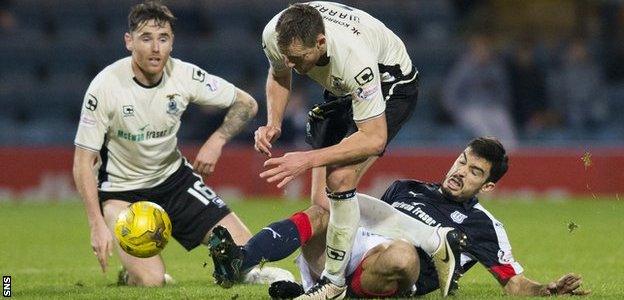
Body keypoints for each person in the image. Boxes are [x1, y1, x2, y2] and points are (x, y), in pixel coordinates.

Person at [72, 1, 291, 287]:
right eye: (146, 38)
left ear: (172, 42)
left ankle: (238, 270)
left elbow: (246, 104)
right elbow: (83, 161)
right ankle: (133, 274)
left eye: (163, 39)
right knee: (151, 281)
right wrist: (96, 224)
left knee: (244, 255)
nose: (155, 48)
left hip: (175, 181)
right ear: (129, 41)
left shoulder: (184, 76)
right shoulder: (105, 87)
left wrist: (217, 139)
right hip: (122, 192)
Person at [252, 2, 461, 298]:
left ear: (321, 42)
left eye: (298, 58)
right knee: (323, 202)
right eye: (287, 56)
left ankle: (333, 283)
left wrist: (307, 160)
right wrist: (273, 122)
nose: (291, 65)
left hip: (392, 85)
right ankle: (433, 239)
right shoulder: (276, 33)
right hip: (344, 92)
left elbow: (373, 138)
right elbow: (278, 74)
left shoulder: (353, 59)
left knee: (341, 179)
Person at [210, 137, 589, 298]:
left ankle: (321, 292)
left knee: (404, 254)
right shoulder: (406, 188)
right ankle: (239, 260)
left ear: (487, 186)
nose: (460, 171)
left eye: (475, 172)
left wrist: (547, 290)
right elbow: (356, 223)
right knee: (323, 213)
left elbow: (513, 283)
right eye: (462, 161)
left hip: (387, 270)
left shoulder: (483, 226)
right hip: (343, 258)